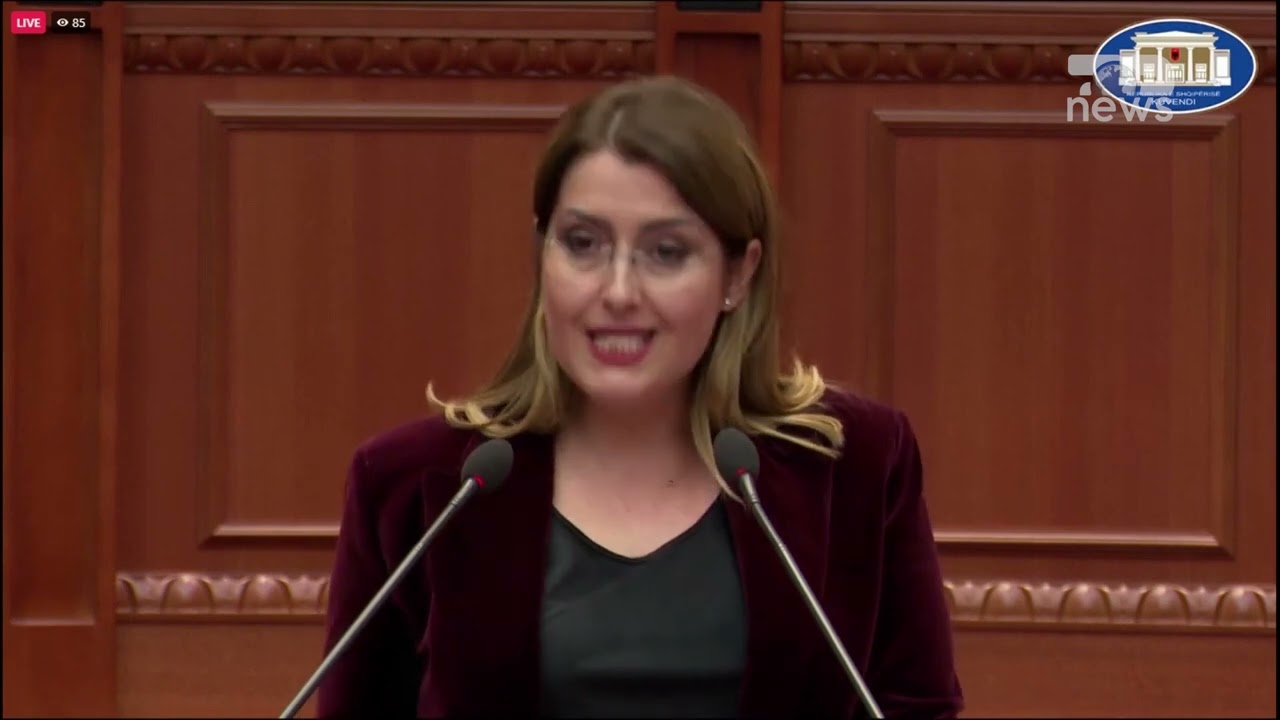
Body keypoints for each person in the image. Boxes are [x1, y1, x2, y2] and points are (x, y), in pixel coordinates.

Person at [316, 75, 963, 719]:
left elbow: (915, 706)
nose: (619, 292)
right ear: (543, 256)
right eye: (583, 244)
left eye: (666, 252)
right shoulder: (417, 484)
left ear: (739, 274)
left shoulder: (855, 468)